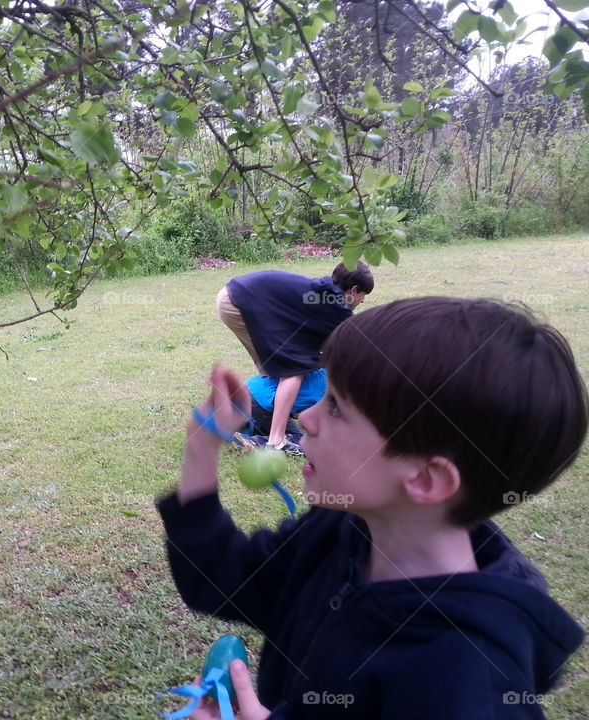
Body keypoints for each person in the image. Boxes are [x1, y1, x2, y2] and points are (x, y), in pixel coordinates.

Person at [159, 297, 588, 719]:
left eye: (337, 407)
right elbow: (223, 578)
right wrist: (203, 445)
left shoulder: (465, 674)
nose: (306, 417)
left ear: (425, 479)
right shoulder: (339, 531)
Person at [216, 262, 373, 454]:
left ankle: (240, 417)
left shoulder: (323, 291)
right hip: (240, 302)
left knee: (281, 365)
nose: (362, 301)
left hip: (234, 295)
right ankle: (275, 441)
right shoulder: (337, 306)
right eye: (363, 295)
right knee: (292, 369)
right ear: (354, 290)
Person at [245, 368, 328, 445]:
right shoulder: (329, 385)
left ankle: (243, 431)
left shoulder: (319, 371)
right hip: (262, 401)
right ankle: (254, 442)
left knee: (265, 425)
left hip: (248, 389)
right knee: (299, 439)